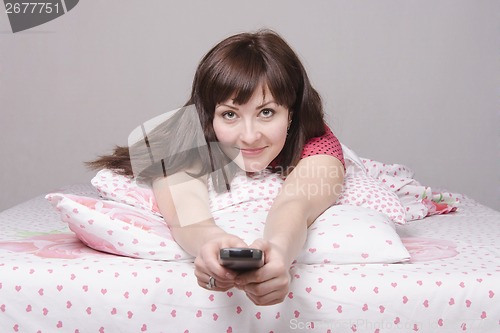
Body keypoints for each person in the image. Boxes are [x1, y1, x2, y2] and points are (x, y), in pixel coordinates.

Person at [87, 29, 345, 306]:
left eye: (266, 112)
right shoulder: (187, 136)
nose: (249, 135)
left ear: (291, 113)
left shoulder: (319, 145)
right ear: (209, 116)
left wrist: (279, 252)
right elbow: (186, 211)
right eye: (230, 114)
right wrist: (212, 242)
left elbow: (295, 203)